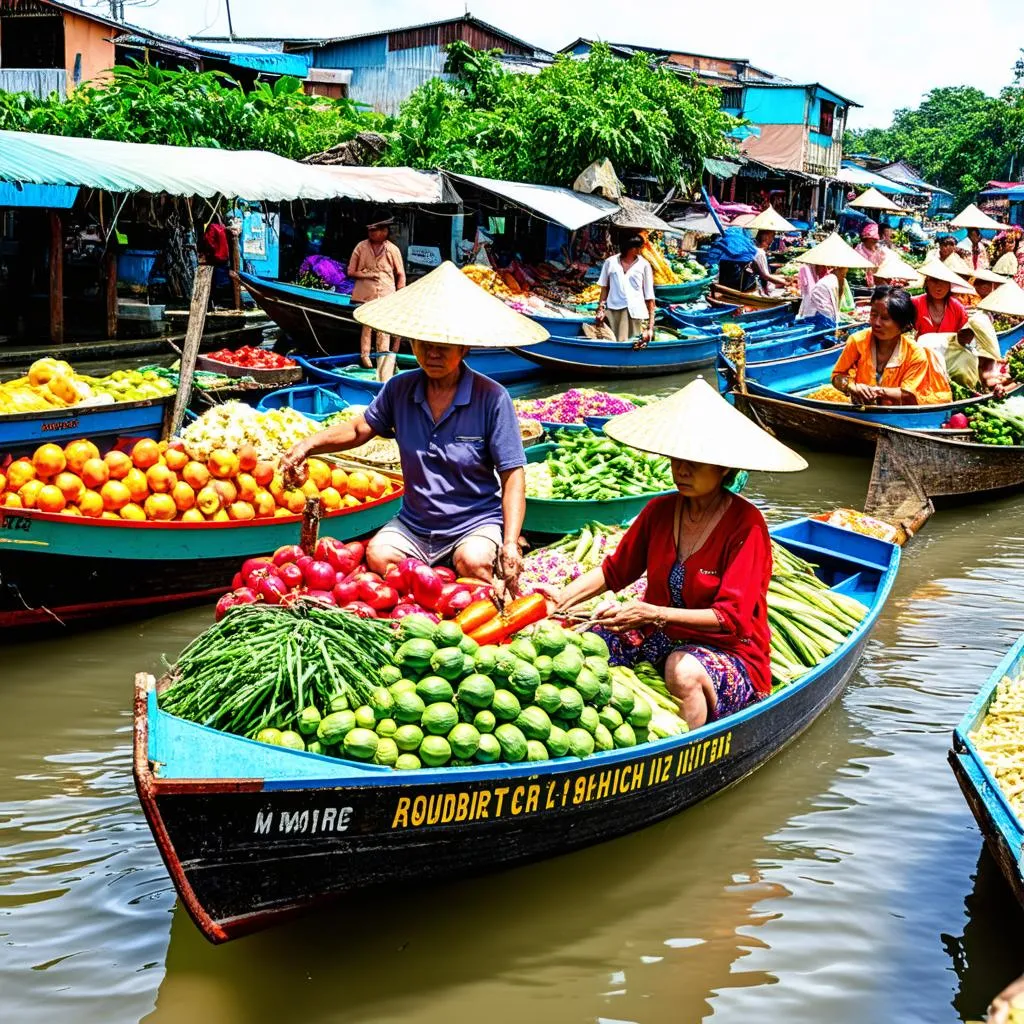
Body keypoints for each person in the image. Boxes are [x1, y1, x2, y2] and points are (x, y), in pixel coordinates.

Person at [544, 378, 807, 729]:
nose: (681, 469)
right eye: (676, 458)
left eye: (695, 462)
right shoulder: (659, 511)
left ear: (724, 467)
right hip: (661, 638)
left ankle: (687, 751)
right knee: (586, 644)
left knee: (681, 670)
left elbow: (731, 618)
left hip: (728, 652)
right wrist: (560, 600)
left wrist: (652, 612)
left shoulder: (746, 525)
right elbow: (615, 572)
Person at [280, 262, 538, 591]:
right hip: (416, 525)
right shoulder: (400, 389)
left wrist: (511, 542)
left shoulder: (492, 398)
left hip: (474, 523)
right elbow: (360, 429)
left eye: (442, 345)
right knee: (378, 556)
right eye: (421, 343)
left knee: (474, 562)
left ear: (463, 348)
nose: (431, 353)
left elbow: (513, 475)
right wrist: (308, 445)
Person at [831, 285, 952, 404]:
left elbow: (907, 393)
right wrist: (851, 387)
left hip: (897, 415)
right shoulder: (857, 341)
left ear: (903, 326)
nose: (876, 323)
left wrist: (878, 391)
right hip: (860, 411)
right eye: (873, 315)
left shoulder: (915, 353)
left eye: (885, 318)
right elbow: (837, 376)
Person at [348, 213, 406, 381]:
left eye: (375, 230)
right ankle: (365, 358)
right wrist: (367, 275)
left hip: (386, 295)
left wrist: (400, 294)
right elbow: (350, 272)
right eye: (370, 230)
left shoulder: (392, 250)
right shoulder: (361, 247)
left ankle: (384, 360)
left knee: (384, 328)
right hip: (365, 295)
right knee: (366, 325)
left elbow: (400, 274)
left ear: (384, 231)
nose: (372, 233)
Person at [596, 235, 656, 345]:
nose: (641, 250)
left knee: (632, 344)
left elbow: (649, 296)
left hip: (635, 312)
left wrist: (650, 327)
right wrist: (600, 309)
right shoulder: (610, 262)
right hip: (613, 311)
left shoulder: (644, 265)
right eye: (639, 247)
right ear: (631, 248)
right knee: (611, 342)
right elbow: (604, 288)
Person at [913, 260, 971, 334]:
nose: (939, 287)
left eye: (944, 281)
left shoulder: (957, 307)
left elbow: (964, 334)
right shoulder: (915, 303)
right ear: (927, 283)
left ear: (950, 285)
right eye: (934, 280)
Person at [751, 230, 788, 295]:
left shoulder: (754, 249)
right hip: (762, 289)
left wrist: (785, 278)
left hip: (762, 285)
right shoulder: (760, 253)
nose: (773, 240)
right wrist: (786, 283)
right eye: (772, 236)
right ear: (765, 237)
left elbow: (764, 273)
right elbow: (765, 276)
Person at [854, 222, 886, 287]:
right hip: (860, 283)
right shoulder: (858, 250)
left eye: (876, 239)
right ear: (866, 239)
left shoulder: (880, 251)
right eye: (872, 239)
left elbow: (881, 268)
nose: (874, 241)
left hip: (876, 282)